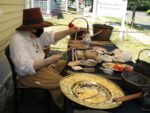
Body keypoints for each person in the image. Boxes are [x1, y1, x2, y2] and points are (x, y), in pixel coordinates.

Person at [9, 7, 79, 110]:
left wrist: (69, 31)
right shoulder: (17, 40)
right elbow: (23, 68)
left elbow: (51, 37)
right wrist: (49, 60)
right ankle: (65, 107)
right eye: (39, 27)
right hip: (29, 76)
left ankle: (58, 92)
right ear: (30, 28)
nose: (41, 30)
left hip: (44, 67)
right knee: (64, 83)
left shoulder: (34, 33)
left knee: (66, 63)